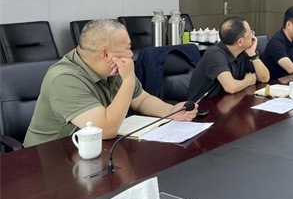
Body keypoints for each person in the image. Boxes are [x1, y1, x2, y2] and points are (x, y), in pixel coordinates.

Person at [23, 19, 197, 147]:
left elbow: (141, 100)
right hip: (46, 160)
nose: (131, 54)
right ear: (105, 54)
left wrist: (171, 111)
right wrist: (128, 80)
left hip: (91, 151)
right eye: (127, 48)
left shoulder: (112, 68)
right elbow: (105, 130)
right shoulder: (64, 79)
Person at [187, 16, 269, 100]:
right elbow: (231, 87)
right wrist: (247, 81)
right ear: (240, 41)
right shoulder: (215, 54)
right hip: (203, 105)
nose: (253, 36)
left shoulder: (243, 51)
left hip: (228, 101)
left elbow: (264, 78)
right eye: (250, 32)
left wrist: (253, 55)